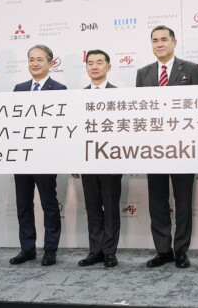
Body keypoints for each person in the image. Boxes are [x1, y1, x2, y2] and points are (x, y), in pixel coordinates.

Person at [136, 25, 198, 268]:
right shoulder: (143, 73)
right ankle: (163, 250)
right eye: (155, 40)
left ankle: (181, 250)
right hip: (154, 149)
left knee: (183, 202)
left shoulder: (192, 69)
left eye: (164, 39)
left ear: (174, 42)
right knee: (157, 202)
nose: (159, 44)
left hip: (183, 148)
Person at [8, 44, 65, 267]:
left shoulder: (59, 89)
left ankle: (50, 249)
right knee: (23, 204)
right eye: (31, 59)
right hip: (21, 157)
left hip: (46, 157)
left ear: (50, 63)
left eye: (40, 59)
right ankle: (27, 248)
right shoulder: (19, 88)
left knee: (49, 204)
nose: (35, 63)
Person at [78, 49, 122, 268]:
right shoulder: (78, 97)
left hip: (111, 163)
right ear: (86, 67)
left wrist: (119, 160)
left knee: (111, 208)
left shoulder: (119, 95)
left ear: (108, 67)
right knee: (92, 208)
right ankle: (95, 250)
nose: (94, 67)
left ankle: (110, 252)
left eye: (99, 62)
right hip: (87, 162)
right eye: (90, 63)